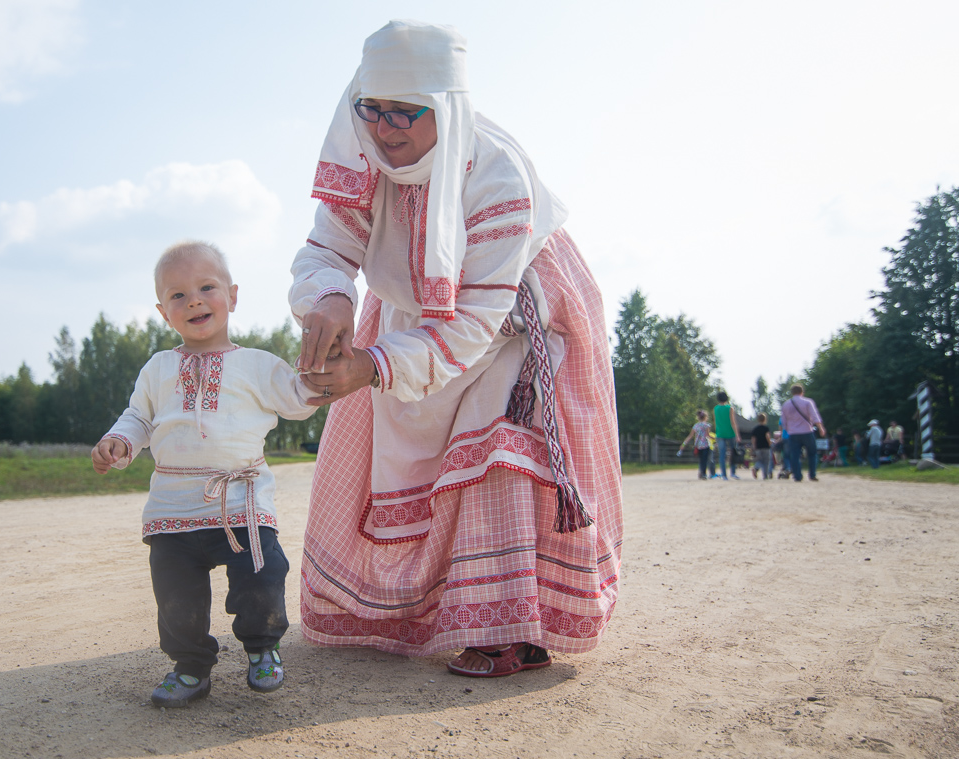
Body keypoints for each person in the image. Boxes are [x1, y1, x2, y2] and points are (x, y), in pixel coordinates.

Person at [289, 21, 622, 678]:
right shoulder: (362, 153)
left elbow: (473, 321)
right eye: (371, 109)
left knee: (497, 437)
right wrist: (329, 300)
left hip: (515, 309)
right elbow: (328, 246)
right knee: (396, 453)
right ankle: (410, 606)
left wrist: (373, 365)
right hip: (411, 306)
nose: (385, 129)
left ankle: (514, 629)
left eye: (405, 114)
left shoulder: (497, 173)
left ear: (444, 106)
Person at [92, 242, 317, 706]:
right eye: (178, 295)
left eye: (206, 288)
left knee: (262, 576)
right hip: (173, 507)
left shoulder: (256, 363)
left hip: (241, 504)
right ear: (162, 312)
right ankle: (191, 667)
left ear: (232, 296)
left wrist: (324, 364)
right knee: (177, 596)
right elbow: (139, 417)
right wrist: (120, 442)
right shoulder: (158, 368)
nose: (193, 300)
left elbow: (299, 398)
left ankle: (263, 649)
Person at [780, 384, 825, 482]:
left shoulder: (786, 404)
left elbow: (784, 421)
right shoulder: (808, 402)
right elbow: (814, 416)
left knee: (795, 455)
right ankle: (812, 474)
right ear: (802, 392)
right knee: (812, 453)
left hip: (793, 433)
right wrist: (821, 428)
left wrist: (788, 429)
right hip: (807, 431)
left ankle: (797, 476)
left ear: (792, 392)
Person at [713, 391, 742, 480]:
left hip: (720, 433)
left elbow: (715, 422)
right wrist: (737, 434)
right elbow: (733, 422)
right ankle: (733, 472)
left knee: (722, 454)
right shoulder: (730, 408)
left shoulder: (715, 409)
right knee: (733, 452)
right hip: (730, 433)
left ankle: (724, 475)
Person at [679, 410, 712, 480]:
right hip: (705, 445)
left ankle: (701, 473)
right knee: (705, 460)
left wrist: (683, 444)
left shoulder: (695, 426)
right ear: (705, 417)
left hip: (698, 446)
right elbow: (708, 435)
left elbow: (690, 436)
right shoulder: (707, 425)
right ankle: (703, 473)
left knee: (701, 460)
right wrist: (715, 438)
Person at [750, 413, 772, 479]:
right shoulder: (766, 428)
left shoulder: (755, 429)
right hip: (765, 447)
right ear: (765, 419)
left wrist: (754, 446)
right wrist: (769, 442)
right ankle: (765, 475)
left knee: (760, 460)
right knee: (766, 461)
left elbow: (753, 438)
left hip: (758, 447)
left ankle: (756, 468)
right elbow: (767, 436)